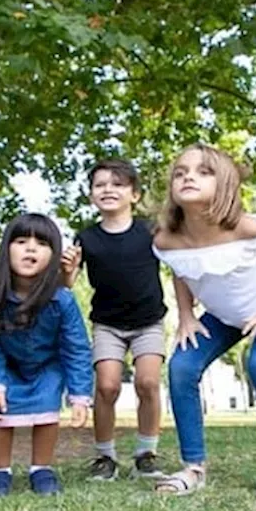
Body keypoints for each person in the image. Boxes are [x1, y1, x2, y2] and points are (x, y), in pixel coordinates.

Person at [152, 144, 256, 499]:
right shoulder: (168, 239)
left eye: (202, 172)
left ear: (225, 184)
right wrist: (185, 315)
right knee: (181, 366)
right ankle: (193, 467)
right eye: (180, 172)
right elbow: (181, 270)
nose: (188, 177)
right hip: (223, 317)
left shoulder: (249, 229)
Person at [0, 213, 93, 497]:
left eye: (41, 243)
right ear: (6, 250)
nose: (31, 248)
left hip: (48, 363)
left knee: (47, 408)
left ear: (54, 255)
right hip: (6, 363)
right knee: (1, 410)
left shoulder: (62, 300)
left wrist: (80, 396)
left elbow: (76, 347)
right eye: (21, 241)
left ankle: (42, 468)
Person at [61, 159, 167, 481]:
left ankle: (146, 453)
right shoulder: (87, 238)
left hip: (149, 321)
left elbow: (179, 264)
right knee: (106, 387)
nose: (108, 189)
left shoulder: (151, 230)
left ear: (134, 194)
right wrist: (67, 270)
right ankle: (104, 457)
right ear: (92, 195)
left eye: (117, 184)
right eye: (100, 185)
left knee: (147, 383)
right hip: (108, 324)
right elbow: (67, 286)